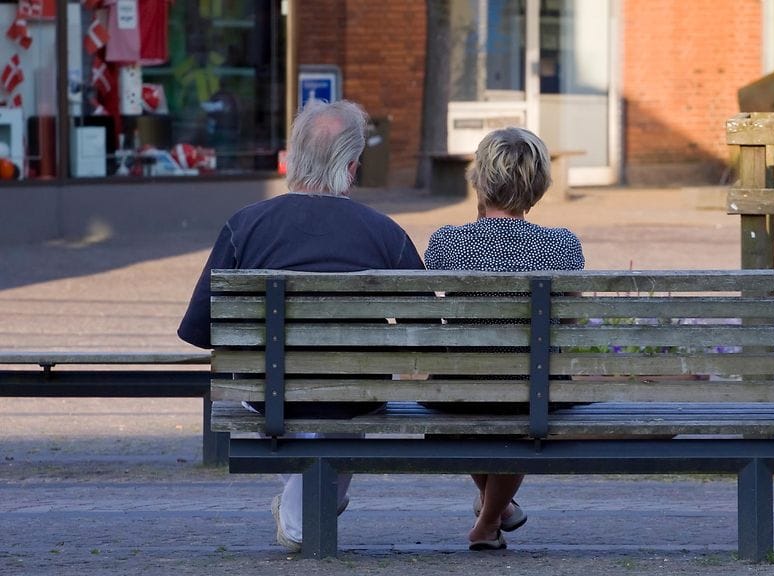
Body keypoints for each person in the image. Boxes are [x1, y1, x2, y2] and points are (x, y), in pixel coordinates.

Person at [177, 99, 424, 553]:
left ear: (293, 158)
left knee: (308, 405)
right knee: (341, 405)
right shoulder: (385, 233)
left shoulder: (245, 225)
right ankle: (301, 517)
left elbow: (199, 331)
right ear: (351, 167)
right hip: (353, 397)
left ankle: (299, 520)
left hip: (268, 394)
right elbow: (426, 333)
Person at [422, 126, 585, 551]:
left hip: (457, 388)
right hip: (535, 389)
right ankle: (495, 516)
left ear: (479, 181)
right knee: (522, 408)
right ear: (539, 186)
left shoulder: (447, 242)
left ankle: (490, 519)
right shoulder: (561, 246)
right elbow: (570, 319)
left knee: (473, 401)